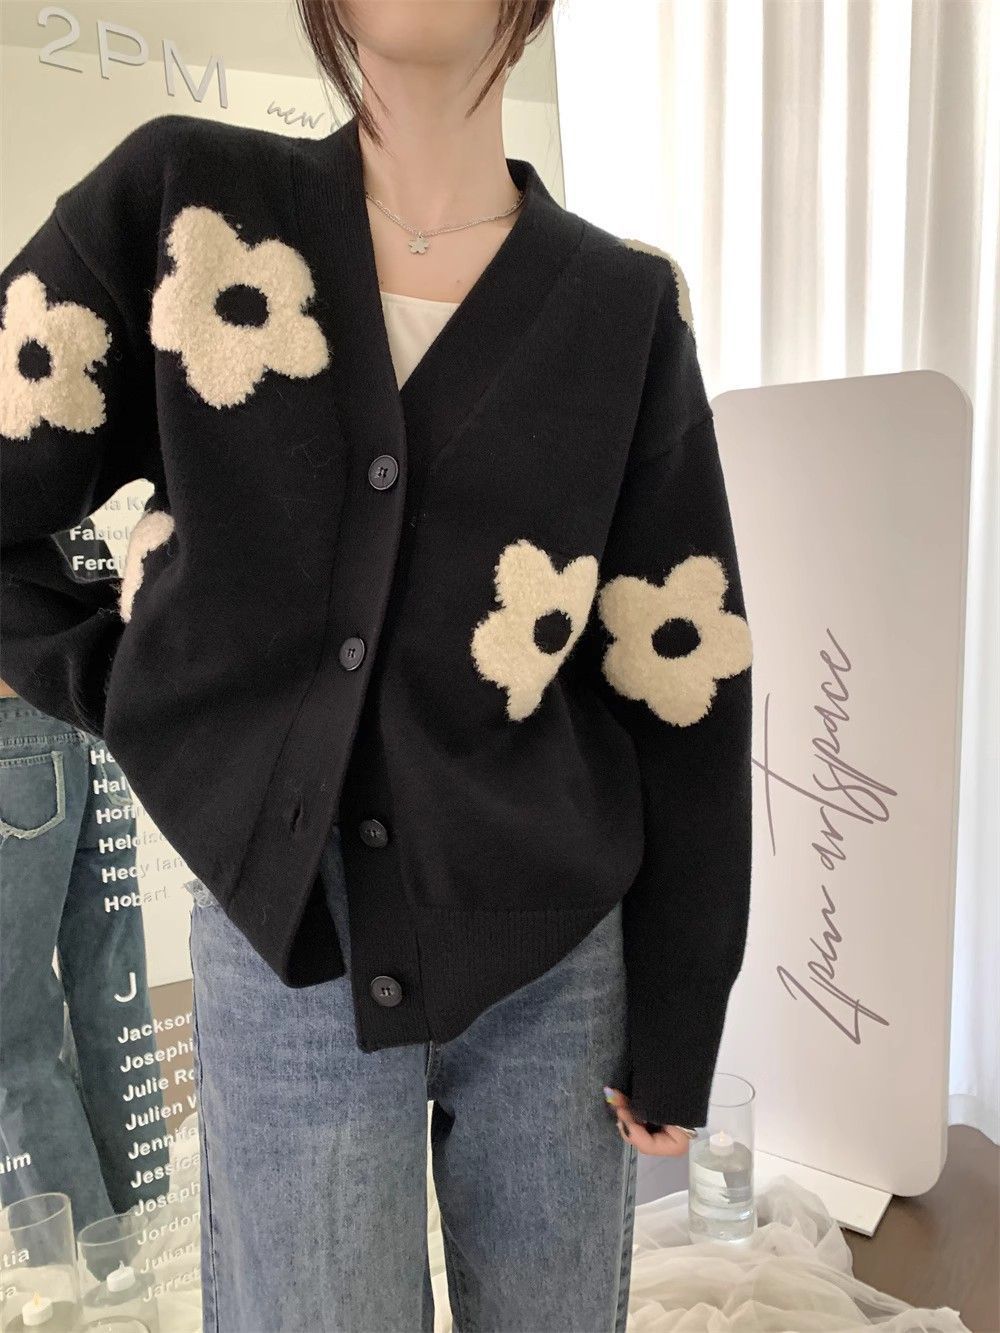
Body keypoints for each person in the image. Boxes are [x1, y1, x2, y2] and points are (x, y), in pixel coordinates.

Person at [0, 1, 754, 1328]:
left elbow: (682, 676)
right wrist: (133, 684)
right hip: (292, 948)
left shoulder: (621, 311)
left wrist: (684, 1009)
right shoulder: (185, 209)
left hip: (558, 966)